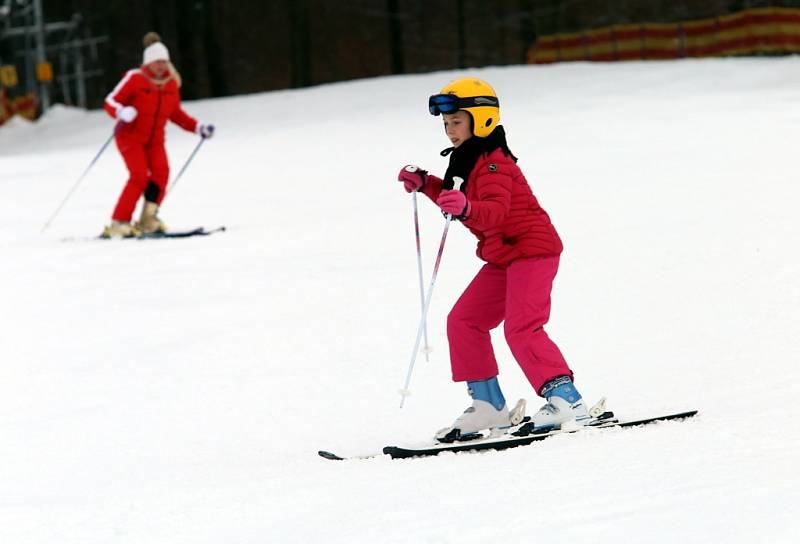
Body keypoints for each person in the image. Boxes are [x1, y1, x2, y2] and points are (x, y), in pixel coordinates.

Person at [397, 77, 590, 441]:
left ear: (480, 119)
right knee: (464, 321)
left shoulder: (492, 164)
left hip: (532, 251)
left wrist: (467, 207)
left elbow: (493, 213)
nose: (450, 131)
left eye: (456, 122)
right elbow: (457, 197)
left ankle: (567, 399)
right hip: (504, 257)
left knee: (521, 327)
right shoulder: (467, 160)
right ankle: (489, 405)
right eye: (446, 124)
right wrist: (426, 184)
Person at [102, 32, 214, 238]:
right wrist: (121, 112)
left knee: (161, 174)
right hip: (130, 137)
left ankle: (148, 218)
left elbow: (176, 114)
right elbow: (110, 101)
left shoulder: (171, 84)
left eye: (164, 62)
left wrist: (198, 127)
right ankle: (119, 221)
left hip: (155, 140)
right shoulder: (135, 78)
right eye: (157, 62)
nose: (161, 66)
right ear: (148, 63)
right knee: (139, 176)